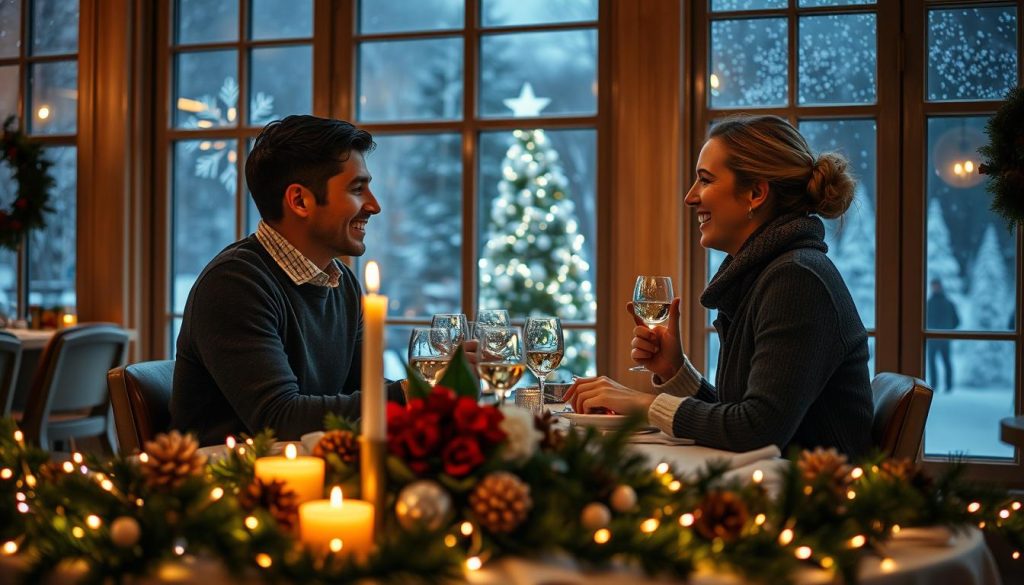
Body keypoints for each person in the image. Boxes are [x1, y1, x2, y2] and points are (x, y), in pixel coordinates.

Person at [567, 115, 874, 458]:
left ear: (756, 193)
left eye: (705, 180)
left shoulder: (798, 279)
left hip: (809, 501)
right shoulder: (770, 272)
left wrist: (642, 404)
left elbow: (757, 431)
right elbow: (740, 413)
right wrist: (675, 370)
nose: (690, 197)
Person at [171, 115, 405, 446]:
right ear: (299, 201)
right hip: (227, 486)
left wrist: (426, 389)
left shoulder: (343, 285)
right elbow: (279, 419)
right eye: (357, 188)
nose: (374, 205)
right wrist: (411, 393)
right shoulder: (235, 284)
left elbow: (364, 392)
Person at [925, 278, 959, 393]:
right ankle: (934, 386)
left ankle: (948, 387)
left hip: (942, 338)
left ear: (940, 286)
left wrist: (947, 329)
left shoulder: (948, 303)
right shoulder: (929, 303)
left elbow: (957, 321)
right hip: (933, 338)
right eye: (933, 285)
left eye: (936, 285)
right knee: (933, 362)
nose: (935, 287)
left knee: (946, 361)